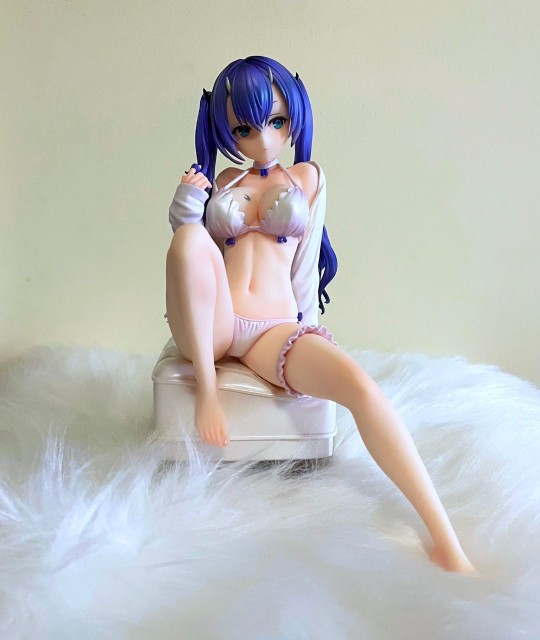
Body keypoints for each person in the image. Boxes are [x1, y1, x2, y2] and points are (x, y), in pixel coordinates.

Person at [165, 55, 477, 575]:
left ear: (295, 117)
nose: (264, 139)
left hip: (272, 329)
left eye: (277, 121)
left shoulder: (308, 178)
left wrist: (310, 334)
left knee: (361, 386)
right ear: (224, 129)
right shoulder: (222, 180)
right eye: (244, 128)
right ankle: (209, 389)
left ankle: (445, 541)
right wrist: (186, 205)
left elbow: (306, 265)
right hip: (216, 325)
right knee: (187, 240)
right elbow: (193, 261)